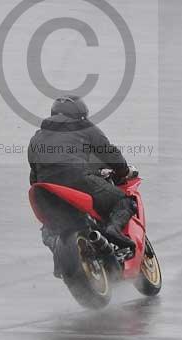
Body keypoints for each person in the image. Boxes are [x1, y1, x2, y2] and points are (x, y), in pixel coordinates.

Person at [28, 95, 136, 255]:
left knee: (49, 227)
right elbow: (108, 152)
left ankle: (59, 253)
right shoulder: (83, 126)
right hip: (76, 180)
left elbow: (33, 176)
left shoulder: (36, 137)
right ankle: (113, 230)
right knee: (124, 202)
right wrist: (124, 171)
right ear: (80, 113)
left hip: (45, 191)